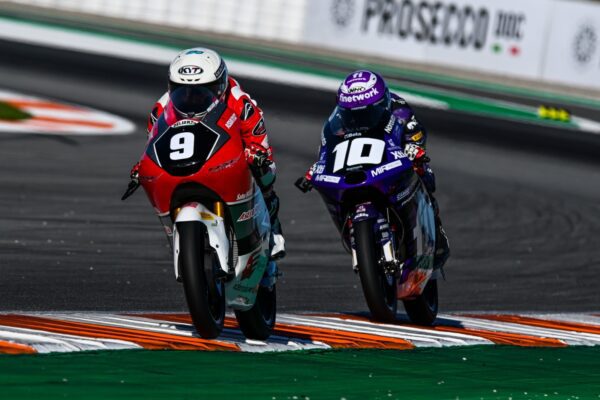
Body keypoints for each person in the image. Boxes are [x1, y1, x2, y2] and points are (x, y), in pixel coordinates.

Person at [141, 47, 285, 259]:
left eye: (203, 90)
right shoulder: (161, 108)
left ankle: (273, 230)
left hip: (229, 151)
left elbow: (257, 137)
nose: (191, 98)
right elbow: (153, 141)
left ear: (221, 86)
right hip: (190, 157)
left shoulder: (240, 102)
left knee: (266, 173)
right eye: (182, 90)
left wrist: (257, 153)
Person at [297, 70, 449, 269]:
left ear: (381, 102)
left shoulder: (399, 109)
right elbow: (327, 148)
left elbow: (415, 133)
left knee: (425, 175)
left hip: (390, 158)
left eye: (367, 111)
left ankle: (435, 231)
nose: (359, 115)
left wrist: (414, 149)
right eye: (352, 111)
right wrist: (318, 167)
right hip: (360, 167)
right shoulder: (337, 119)